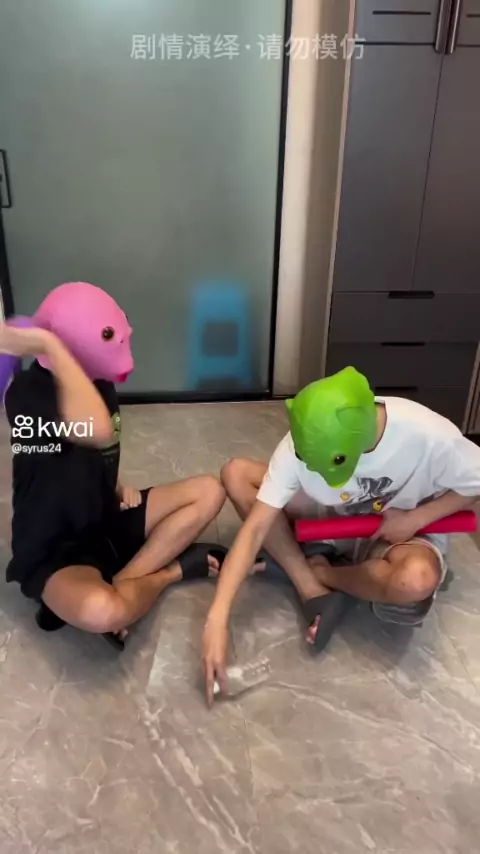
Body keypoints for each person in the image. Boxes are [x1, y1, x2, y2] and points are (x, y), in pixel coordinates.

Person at [203, 366, 480, 702]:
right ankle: (312, 589)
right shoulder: (307, 435)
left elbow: (475, 482)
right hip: (336, 514)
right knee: (237, 474)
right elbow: (255, 529)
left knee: (415, 580)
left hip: (398, 529)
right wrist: (217, 618)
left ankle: (326, 573)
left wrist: (416, 518)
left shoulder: (427, 434)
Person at [1, 282, 226, 650]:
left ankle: (123, 580)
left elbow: (92, 450)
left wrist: (117, 486)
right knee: (103, 611)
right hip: (54, 549)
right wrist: (49, 345)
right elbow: (94, 429)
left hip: (103, 519)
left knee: (209, 491)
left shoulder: (101, 387)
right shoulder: (28, 393)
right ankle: (170, 573)